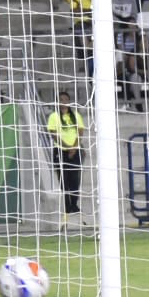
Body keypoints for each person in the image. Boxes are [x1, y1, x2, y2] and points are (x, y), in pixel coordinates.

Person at [46, 90, 85, 222]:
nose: (63, 102)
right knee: (64, 179)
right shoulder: (54, 116)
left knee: (75, 178)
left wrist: (73, 147)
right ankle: (67, 206)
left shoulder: (75, 115)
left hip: (75, 150)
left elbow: (80, 131)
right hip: (60, 150)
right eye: (60, 99)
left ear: (69, 101)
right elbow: (53, 133)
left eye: (65, 99)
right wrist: (66, 147)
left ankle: (74, 204)